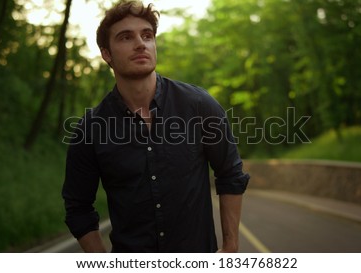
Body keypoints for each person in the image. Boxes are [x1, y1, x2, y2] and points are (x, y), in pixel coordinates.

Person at [62, 0, 250, 253]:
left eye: (147, 35)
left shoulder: (198, 105)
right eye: (126, 37)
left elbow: (230, 175)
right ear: (107, 54)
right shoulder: (91, 128)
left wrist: (230, 249)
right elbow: (78, 208)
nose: (140, 43)